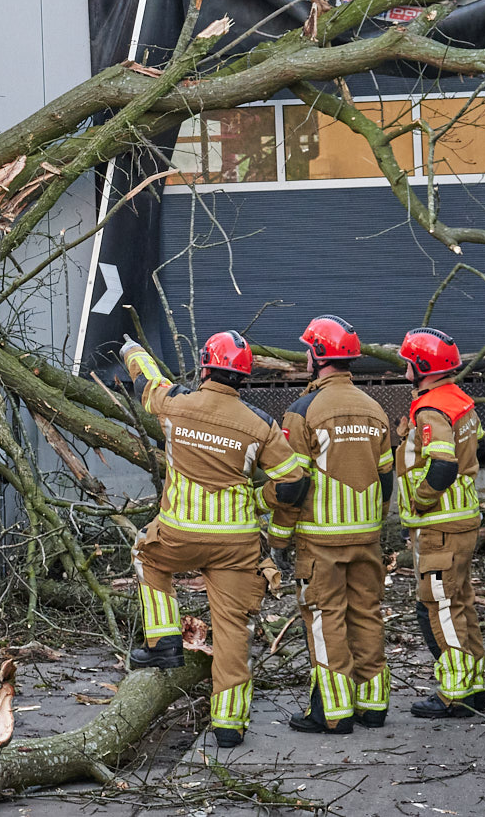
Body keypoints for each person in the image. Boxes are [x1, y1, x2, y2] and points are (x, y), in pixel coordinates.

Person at [124, 333, 303, 748]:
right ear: (244, 376)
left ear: (205, 367)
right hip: (235, 544)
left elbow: (144, 384)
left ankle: (163, 642)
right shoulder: (261, 424)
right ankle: (228, 724)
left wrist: (133, 350)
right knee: (232, 629)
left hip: (179, 534)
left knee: (144, 554)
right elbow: (294, 483)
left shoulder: (176, 403)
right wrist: (258, 498)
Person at [270, 315, 395, 734]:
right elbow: (386, 478)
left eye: (309, 349)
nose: (305, 355)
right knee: (366, 614)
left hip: (320, 542)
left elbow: (293, 486)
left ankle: (333, 713)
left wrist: (278, 539)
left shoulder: (302, 412)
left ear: (318, 356)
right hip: (366, 538)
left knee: (326, 621)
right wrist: (373, 522)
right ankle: (373, 705)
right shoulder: (375, 408)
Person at [395, 326, 485, 718]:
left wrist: (418, 501)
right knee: (461, 603)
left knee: (439, 608)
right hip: (461, 520)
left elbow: (444, 463)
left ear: (423, 366)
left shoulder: (432, 408)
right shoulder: (459, 399)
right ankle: (473, 685)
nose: (404, 374)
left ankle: (454, 692)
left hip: (441, 526)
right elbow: (472, 444)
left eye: (407, 366)